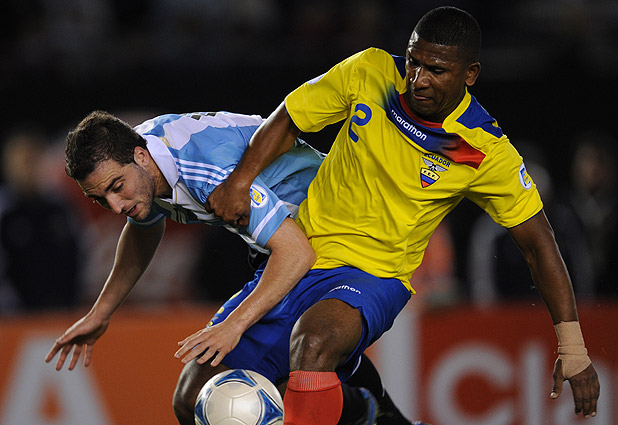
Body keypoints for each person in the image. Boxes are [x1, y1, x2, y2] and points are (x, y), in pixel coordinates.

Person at [201, 6, 600, 423]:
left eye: (436, 70)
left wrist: (573, 348)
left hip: (372, 277)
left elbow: (538, 245)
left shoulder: (484, 150)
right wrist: (239, 182)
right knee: (195, 392)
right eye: (413, 61)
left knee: (314, 342)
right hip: (295, 259)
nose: (417, 79)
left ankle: (358, 398)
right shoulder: (370, 70)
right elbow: (290, 117)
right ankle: (365, 408)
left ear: (470, 74)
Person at [44, 110, 415, 425]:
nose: (114, 205)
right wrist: (101, 313)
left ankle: (368, 409)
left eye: (116, 187)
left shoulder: (206, 169)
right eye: (100, 198)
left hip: (341, 242)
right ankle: (365, 405)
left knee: (306, 362)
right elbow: (142, 229)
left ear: (140, 157)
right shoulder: (140, 157)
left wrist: (234, 325)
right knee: (192, 399)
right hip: (286, 246)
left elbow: (296, 254)